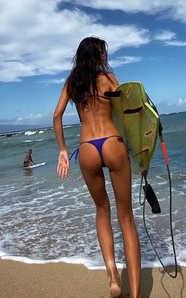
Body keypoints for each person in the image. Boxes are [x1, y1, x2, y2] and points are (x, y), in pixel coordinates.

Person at [53, 37, 141, 298]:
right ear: (98, 54)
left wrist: (63, 150)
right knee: (126, 218)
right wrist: (141, 150)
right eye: (103, 51)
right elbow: (129, 111)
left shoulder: (72, 83)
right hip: (112, 142)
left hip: (88, 148)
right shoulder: (108, 78)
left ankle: (112, 273)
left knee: (102, 210)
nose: (105, 55)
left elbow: (56, 115)